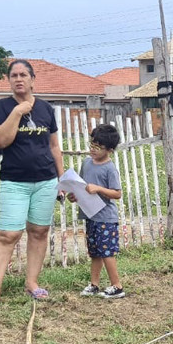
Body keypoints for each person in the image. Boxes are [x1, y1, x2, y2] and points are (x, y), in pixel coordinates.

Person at [0, 59, 64, 310]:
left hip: (45, 180)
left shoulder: (46, 109)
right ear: (9, 80)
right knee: (9, 234)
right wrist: (18, 112)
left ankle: (32, 282)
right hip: (14, 181)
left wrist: (62, 181)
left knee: (39, 231)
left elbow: (53, 147)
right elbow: (2, 140)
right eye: (14, 75)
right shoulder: (3, 106)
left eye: (23, 75)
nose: (18, 79)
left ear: (32, 79)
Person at [72, 123, 125, 298]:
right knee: (94, 251)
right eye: (91, 145)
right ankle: (94, 284)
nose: (93, 150)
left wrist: (99, 189)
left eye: (98, 147)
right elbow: (80, 186)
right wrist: (74, 196)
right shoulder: (87, 163)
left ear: (109, 149)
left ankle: (117, 286)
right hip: (90, 215)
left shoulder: (110, 168)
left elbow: (117, 193)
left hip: (105, 217)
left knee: (107, 252)